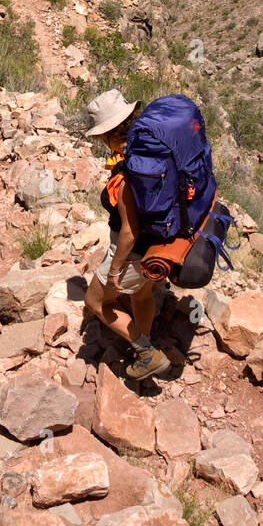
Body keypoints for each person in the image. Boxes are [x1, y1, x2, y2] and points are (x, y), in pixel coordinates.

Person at [82, 88, 173, 380]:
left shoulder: (126, 173)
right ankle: (140, 343)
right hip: (158, 245)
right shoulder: (148, 149)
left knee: (95, 302)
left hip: (134, 251)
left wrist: (115, 270)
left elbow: (129, 232)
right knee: (142, 295)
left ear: (107, 133)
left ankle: (147, 354)